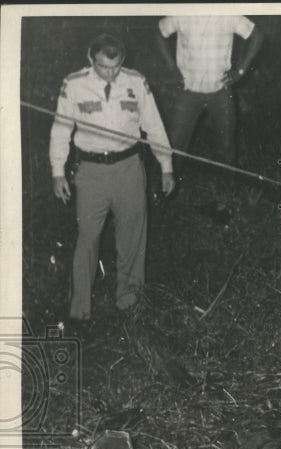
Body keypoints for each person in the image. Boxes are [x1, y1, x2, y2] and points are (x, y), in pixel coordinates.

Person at [50, 33, 175, 321]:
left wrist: (166, 165)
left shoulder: (136, 82)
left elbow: (154, 126)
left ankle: (129, 303)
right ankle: (79, 311)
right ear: (90, 60)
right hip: (91, 172)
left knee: (132, 237)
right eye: (103, 67)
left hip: (129, 167)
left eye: (116, 67)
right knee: (88, 238)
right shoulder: (74, 84)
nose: (110, 74)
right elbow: (60, 131)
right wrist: (58, 172)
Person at [155, 15, 264, 167]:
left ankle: (227, 187)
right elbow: (159, 33)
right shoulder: (183, 12)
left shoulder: (228, 13)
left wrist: (240, 71)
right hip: (188, 90)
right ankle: (171, 186)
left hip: (220, 90)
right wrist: (172, 67)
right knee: (175, 145)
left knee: (226, 147)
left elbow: (257, 35)